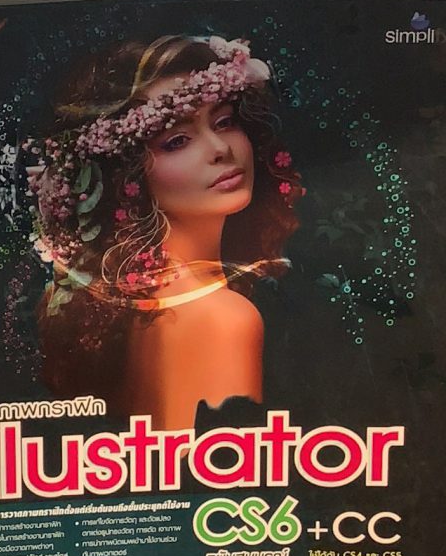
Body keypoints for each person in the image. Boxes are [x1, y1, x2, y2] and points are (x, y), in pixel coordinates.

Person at [25, 35, 302, 430]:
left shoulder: (142, 300)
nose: (219, 149)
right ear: (127, 175)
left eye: (224, 122)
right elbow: (218, 464)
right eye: (177, 141)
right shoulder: (221, 319)